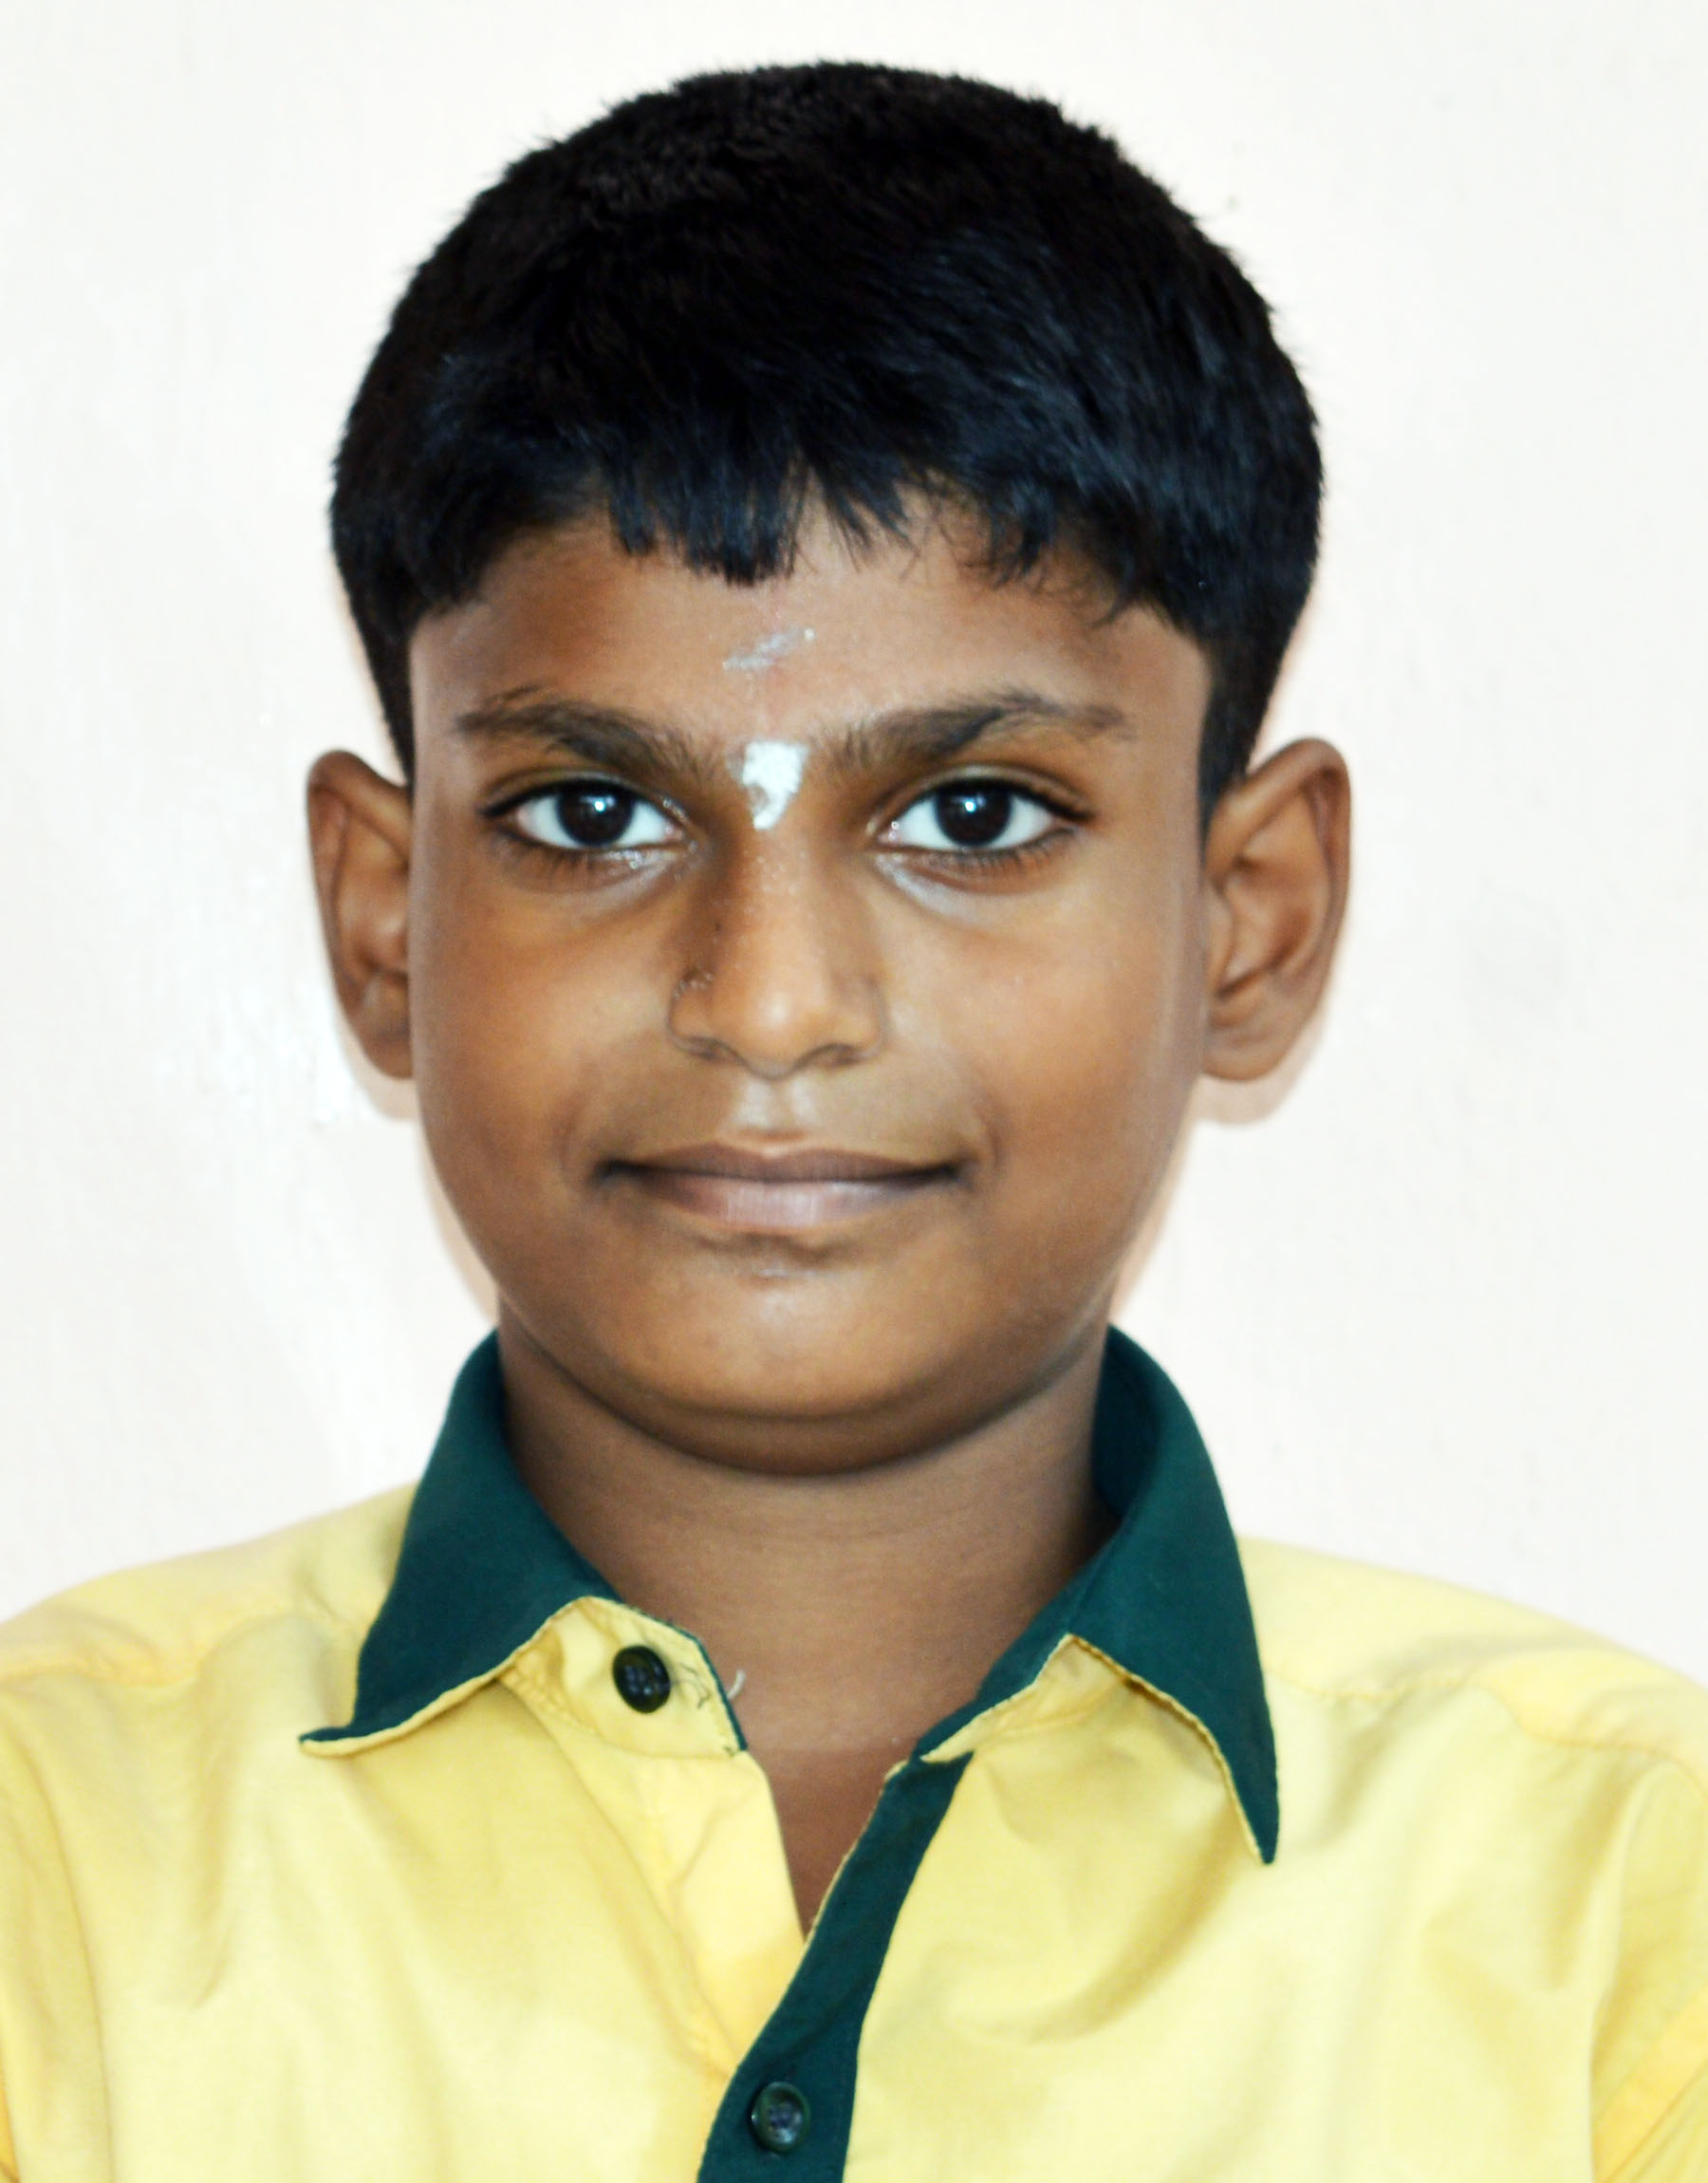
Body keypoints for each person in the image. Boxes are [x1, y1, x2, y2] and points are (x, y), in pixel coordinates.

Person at [0, 60, 1701, 2183]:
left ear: (1251, 917)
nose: (775, 1002)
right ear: (383, 920)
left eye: (974, 817)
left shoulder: (1620, 1928)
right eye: (592, 814)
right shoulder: (51, 1874)